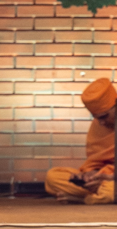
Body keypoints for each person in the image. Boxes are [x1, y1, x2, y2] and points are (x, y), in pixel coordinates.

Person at [45, 77, 116, 205]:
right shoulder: (99, 125)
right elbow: (94, 162)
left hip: (112, 181)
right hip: (103, 180)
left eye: (104, 116)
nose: (101, 122)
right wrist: (90, 176)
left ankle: (85, 199)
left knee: (111, 190)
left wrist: (111, 178)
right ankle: (102, 195)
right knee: (53, 176)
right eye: (96, 118)